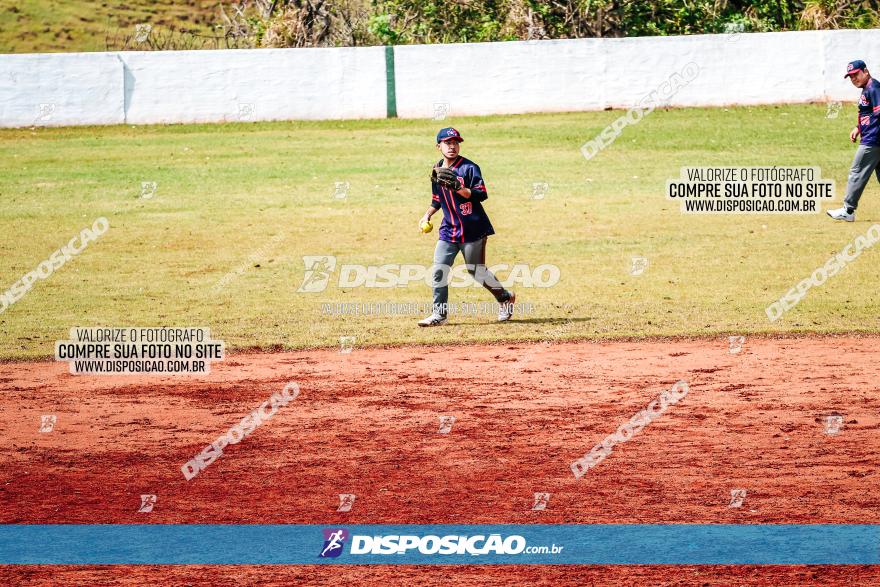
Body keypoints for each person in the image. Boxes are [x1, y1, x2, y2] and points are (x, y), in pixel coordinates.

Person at [417, 127, 515, 326]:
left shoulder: (470, 168)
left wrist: (461, 189)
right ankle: (439, 315)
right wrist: (426, 215)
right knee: (439, 270)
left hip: (473, 230)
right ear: (439, 146)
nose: (452, 146)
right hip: (449, 230)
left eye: (455, 142)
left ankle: (505, 297)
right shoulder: (437, 169)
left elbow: (482, 194)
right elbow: (437, 199)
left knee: (476, 271)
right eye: (447, 143)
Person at [827, 60, 880, 222]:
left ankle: (848, 210)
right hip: (873, 137)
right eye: (851, 77)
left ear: (865, 71)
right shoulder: (867, 88)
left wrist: (869, 132)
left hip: (873, 139)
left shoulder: (874, 88)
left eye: (856, 74)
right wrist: (858, 128)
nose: (854, 79)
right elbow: (869, 113)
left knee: (857, 171)